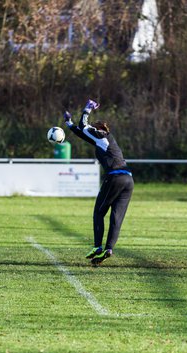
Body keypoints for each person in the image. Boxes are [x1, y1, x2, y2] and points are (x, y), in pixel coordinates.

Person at [64, 99, 134, 265]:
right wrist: (69, 124)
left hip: (115, 178)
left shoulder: (102, 135)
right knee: (116, 217)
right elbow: (82, 133)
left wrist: (87, 109)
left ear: (99, 129)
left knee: (98, 213)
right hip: (128, 180)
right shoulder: (104, 141)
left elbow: (84, 126)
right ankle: (108, 249)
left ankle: (97, 247)